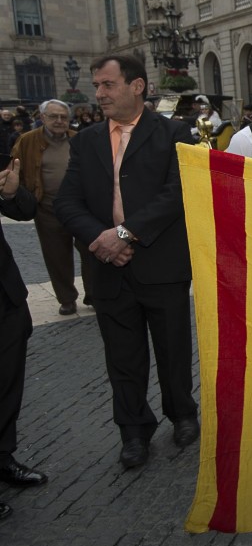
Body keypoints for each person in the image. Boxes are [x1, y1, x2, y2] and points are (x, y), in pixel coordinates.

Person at [54, 55, 198, 470]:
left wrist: (125, 233)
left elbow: (177, 192)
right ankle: (133, 431)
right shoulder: (86, 140)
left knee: (172, 349)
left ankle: (183, 415)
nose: (98, 94)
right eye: (97, 85)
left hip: (161, 265)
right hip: (107, 267)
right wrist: (103, 240)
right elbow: (67, 202)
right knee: (122, 357)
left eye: (107, 85)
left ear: (137, 86)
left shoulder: (174, 133)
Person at [10, 99, 94, 315]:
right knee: (56, 255)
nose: (59, 121)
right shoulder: (27, 141)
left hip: (82, 208)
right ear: (42, 117)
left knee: (92, 251)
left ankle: (93, 294)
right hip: (47, 208)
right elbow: (14, 170)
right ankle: (66, 298)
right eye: (54, 116)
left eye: (63, 117)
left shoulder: (79, 139)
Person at [0, 157, 49, 521]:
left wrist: (13, 192)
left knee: (7, 385)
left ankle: (3, 458)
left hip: (6, 298)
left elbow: (25, 210)